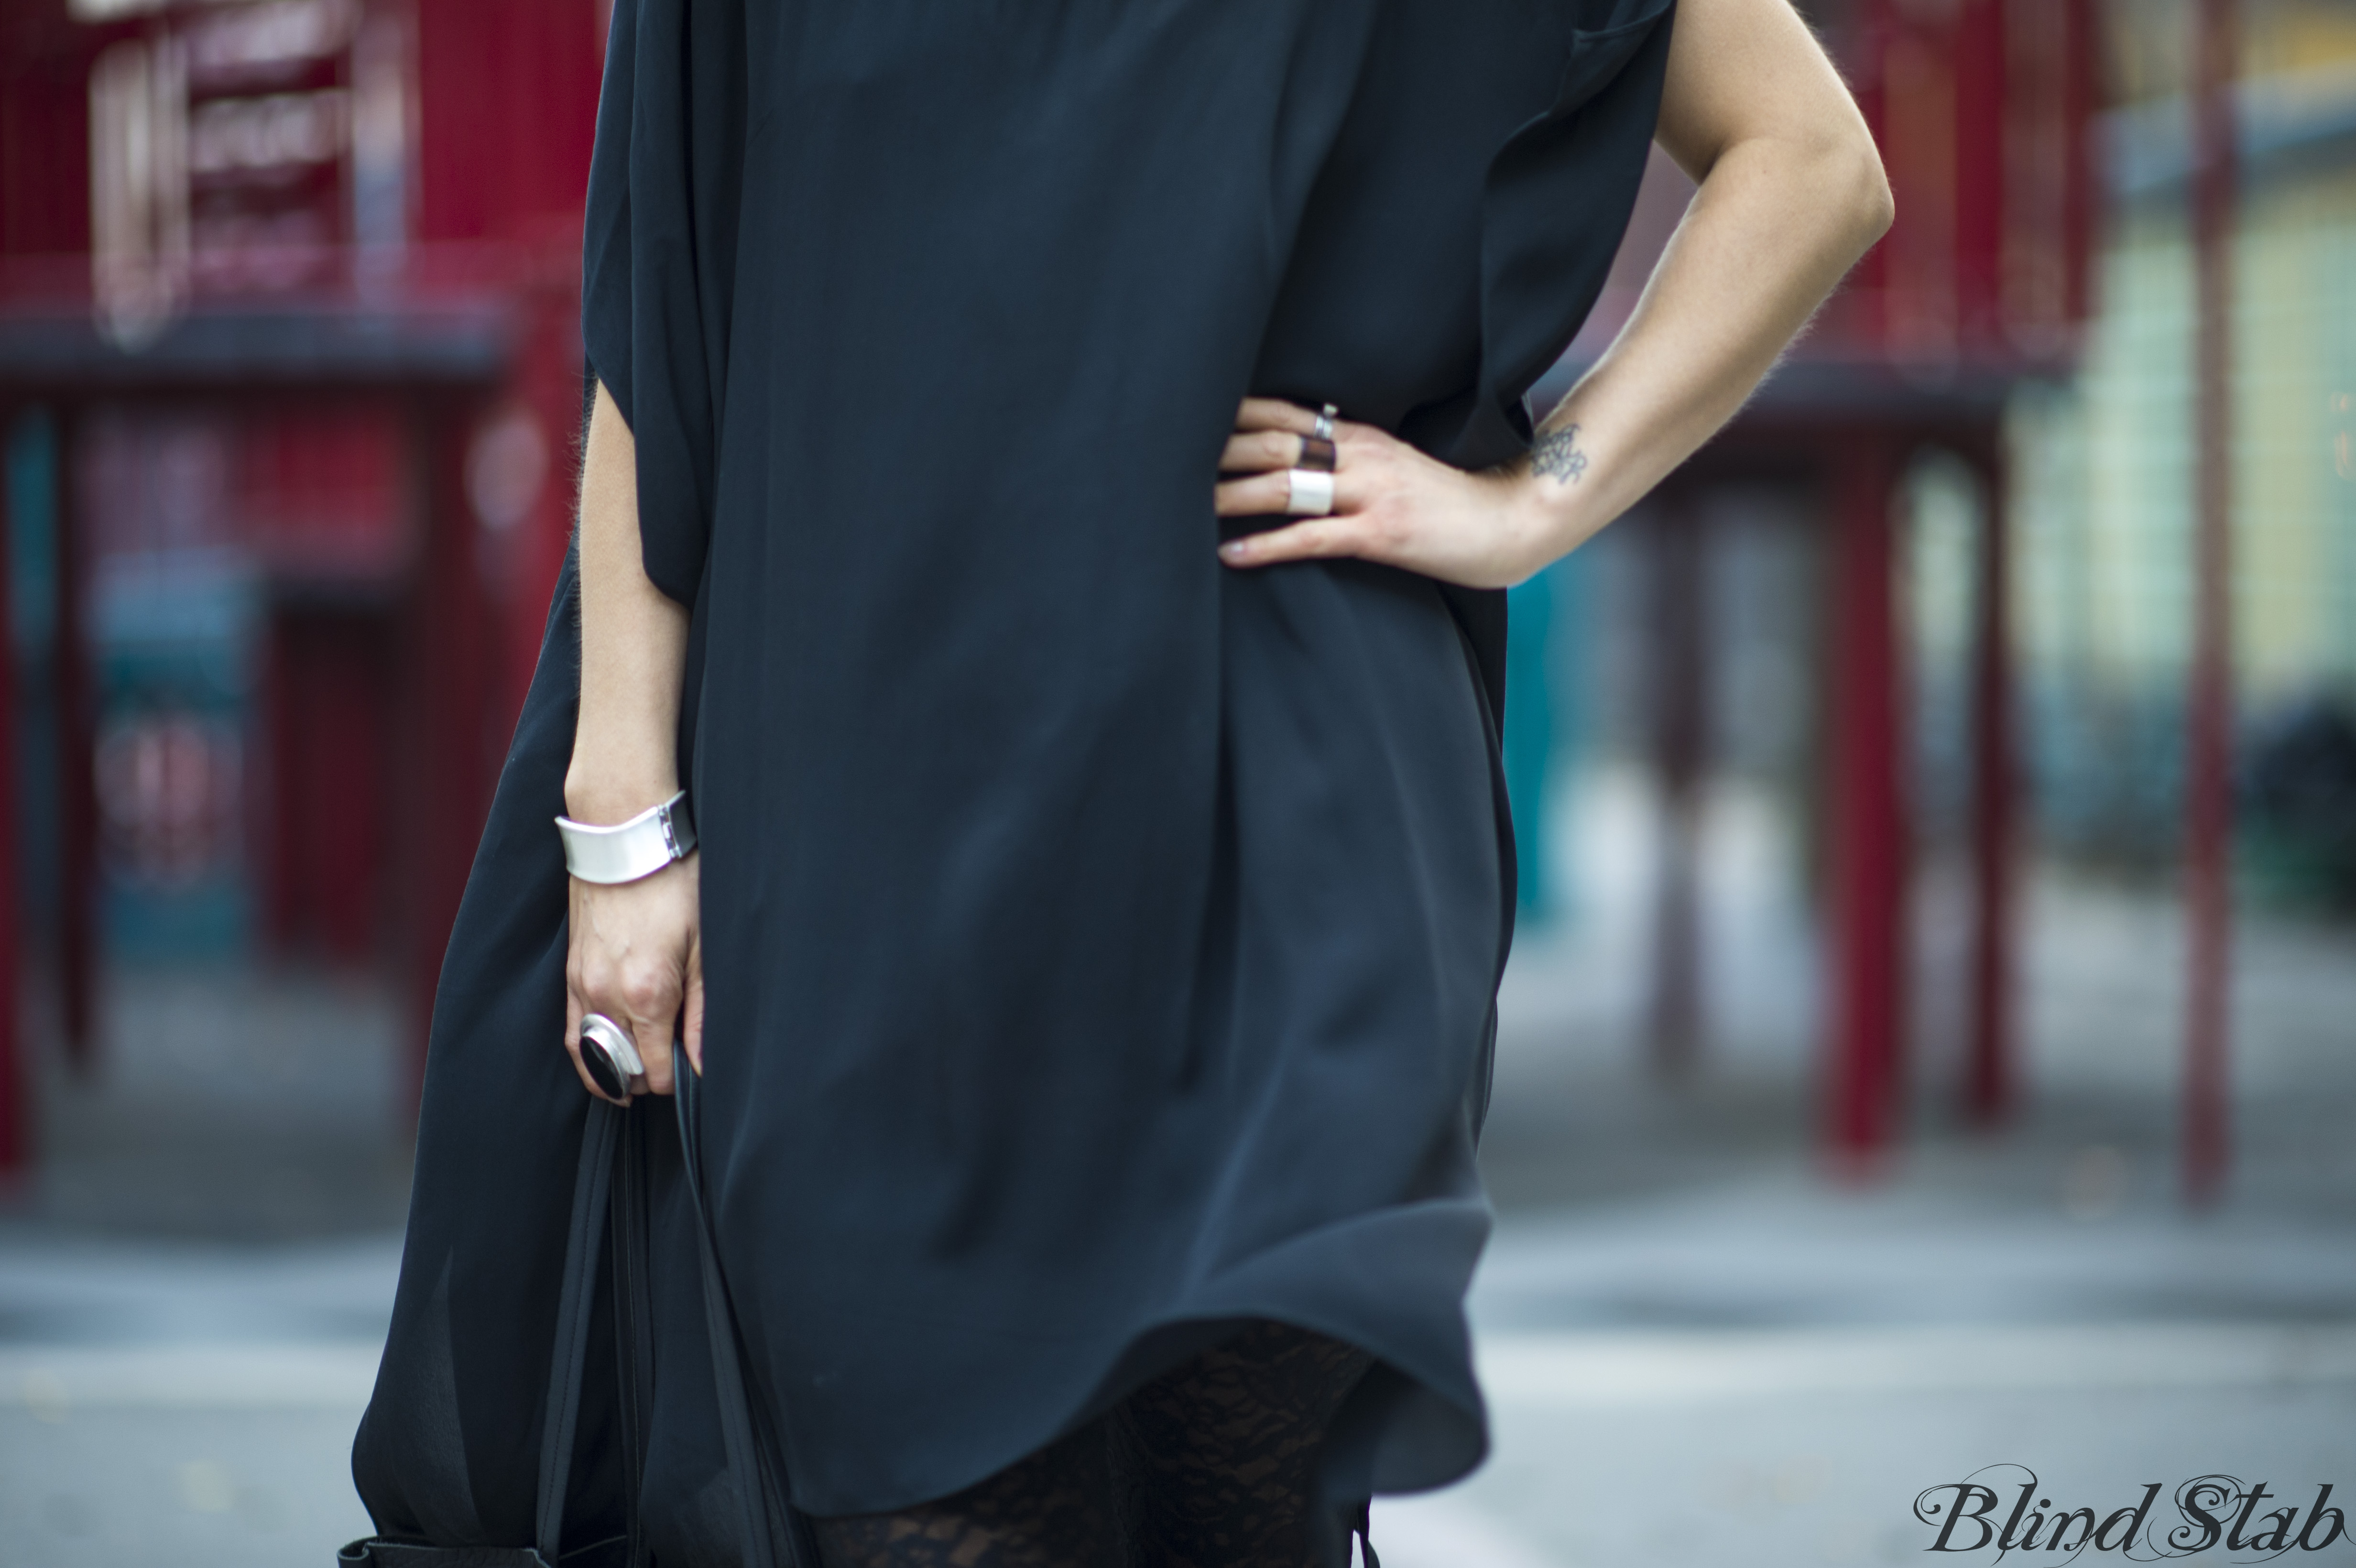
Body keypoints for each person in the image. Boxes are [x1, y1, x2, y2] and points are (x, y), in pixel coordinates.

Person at [354, 0, 1890, 1564]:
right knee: (917, 1474)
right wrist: (620, 823)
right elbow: (666, 296)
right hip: (853, 828)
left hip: (1285, 836)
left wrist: (1524, 504)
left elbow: (1811, 158)